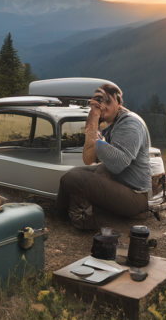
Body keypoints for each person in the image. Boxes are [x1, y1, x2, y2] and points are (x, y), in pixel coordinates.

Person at [56, 83, 151, 230]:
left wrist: (97, 140)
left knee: (75, 179)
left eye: (108, 102)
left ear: (119, 103)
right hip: (119, 184)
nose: (103, 106)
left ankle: (86, 222)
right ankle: (61, 217)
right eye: (100, 102)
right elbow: (88, 159)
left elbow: (119, 164)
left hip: (135, 196)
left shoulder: (129, 124)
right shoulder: (111, 124)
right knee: (73, 174)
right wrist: (93, 117)